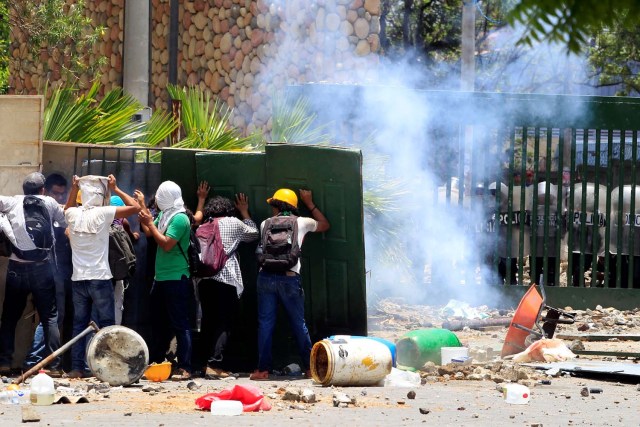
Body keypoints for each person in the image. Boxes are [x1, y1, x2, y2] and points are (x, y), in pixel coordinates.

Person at [64, 174, 140, 378]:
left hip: (78, 279)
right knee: (107, 325)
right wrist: (115, 189)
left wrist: (73, 188)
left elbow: (67, 207)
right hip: (100, 277)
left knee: (79, 325)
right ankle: (108, 369)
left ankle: (77, 368)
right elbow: (135, 208)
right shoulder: (104, 213)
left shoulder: (72, 214)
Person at [250, 188, 329, 381]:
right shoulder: (302, 222)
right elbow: (325, 225)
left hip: (266, 277)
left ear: (276, 206)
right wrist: (310, 203)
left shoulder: (264, 224)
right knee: (298, 323)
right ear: (293, 206)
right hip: (289, 277)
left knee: (265, 324)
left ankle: (262, 370)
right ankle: (311, 369)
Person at [0, 172, 65, 376]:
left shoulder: (11, 202)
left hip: (16, 268)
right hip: (42, 268)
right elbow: (63, 223)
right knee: (50, 318)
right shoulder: (50, 203)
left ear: (24, 189)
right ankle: (54, 366)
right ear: (43, 190)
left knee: (10, 318)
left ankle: (4, 363)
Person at [196, 186, 259, 379]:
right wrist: (244, 212)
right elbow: (254, 233)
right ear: (228, 210)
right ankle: (215, 364)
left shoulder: (201, 227)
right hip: (225, 279)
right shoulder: (233, 222)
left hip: (204, 280)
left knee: (207, 322)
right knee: (225, 322)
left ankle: (201, 364)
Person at [138, 181, 193, 381]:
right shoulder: (164, 215)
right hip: (160, 277)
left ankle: (186, 366)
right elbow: (148, 233)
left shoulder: (179, 218)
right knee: (158, 322)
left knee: (180, 324)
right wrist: (144, 211)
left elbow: (166, 244)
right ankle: (159, 361)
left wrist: (150, 222)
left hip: (176, 277)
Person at [24, 173, 74, 372]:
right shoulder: (47, 213)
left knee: (53, 318)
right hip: (50, 274)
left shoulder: (51, 211)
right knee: (52, 318)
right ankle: (37, 360)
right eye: (56, 193)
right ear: (45, 191)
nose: (59, 199)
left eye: (62, 195)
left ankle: (36, 361)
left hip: (54, 273)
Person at [109, 195, 140, 325]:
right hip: (118, 272)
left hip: (102, 272)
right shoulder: (123, 222)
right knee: (117, 304)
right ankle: (115, 331)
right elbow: (132, 238)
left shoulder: (101, 220)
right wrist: (136, 235)